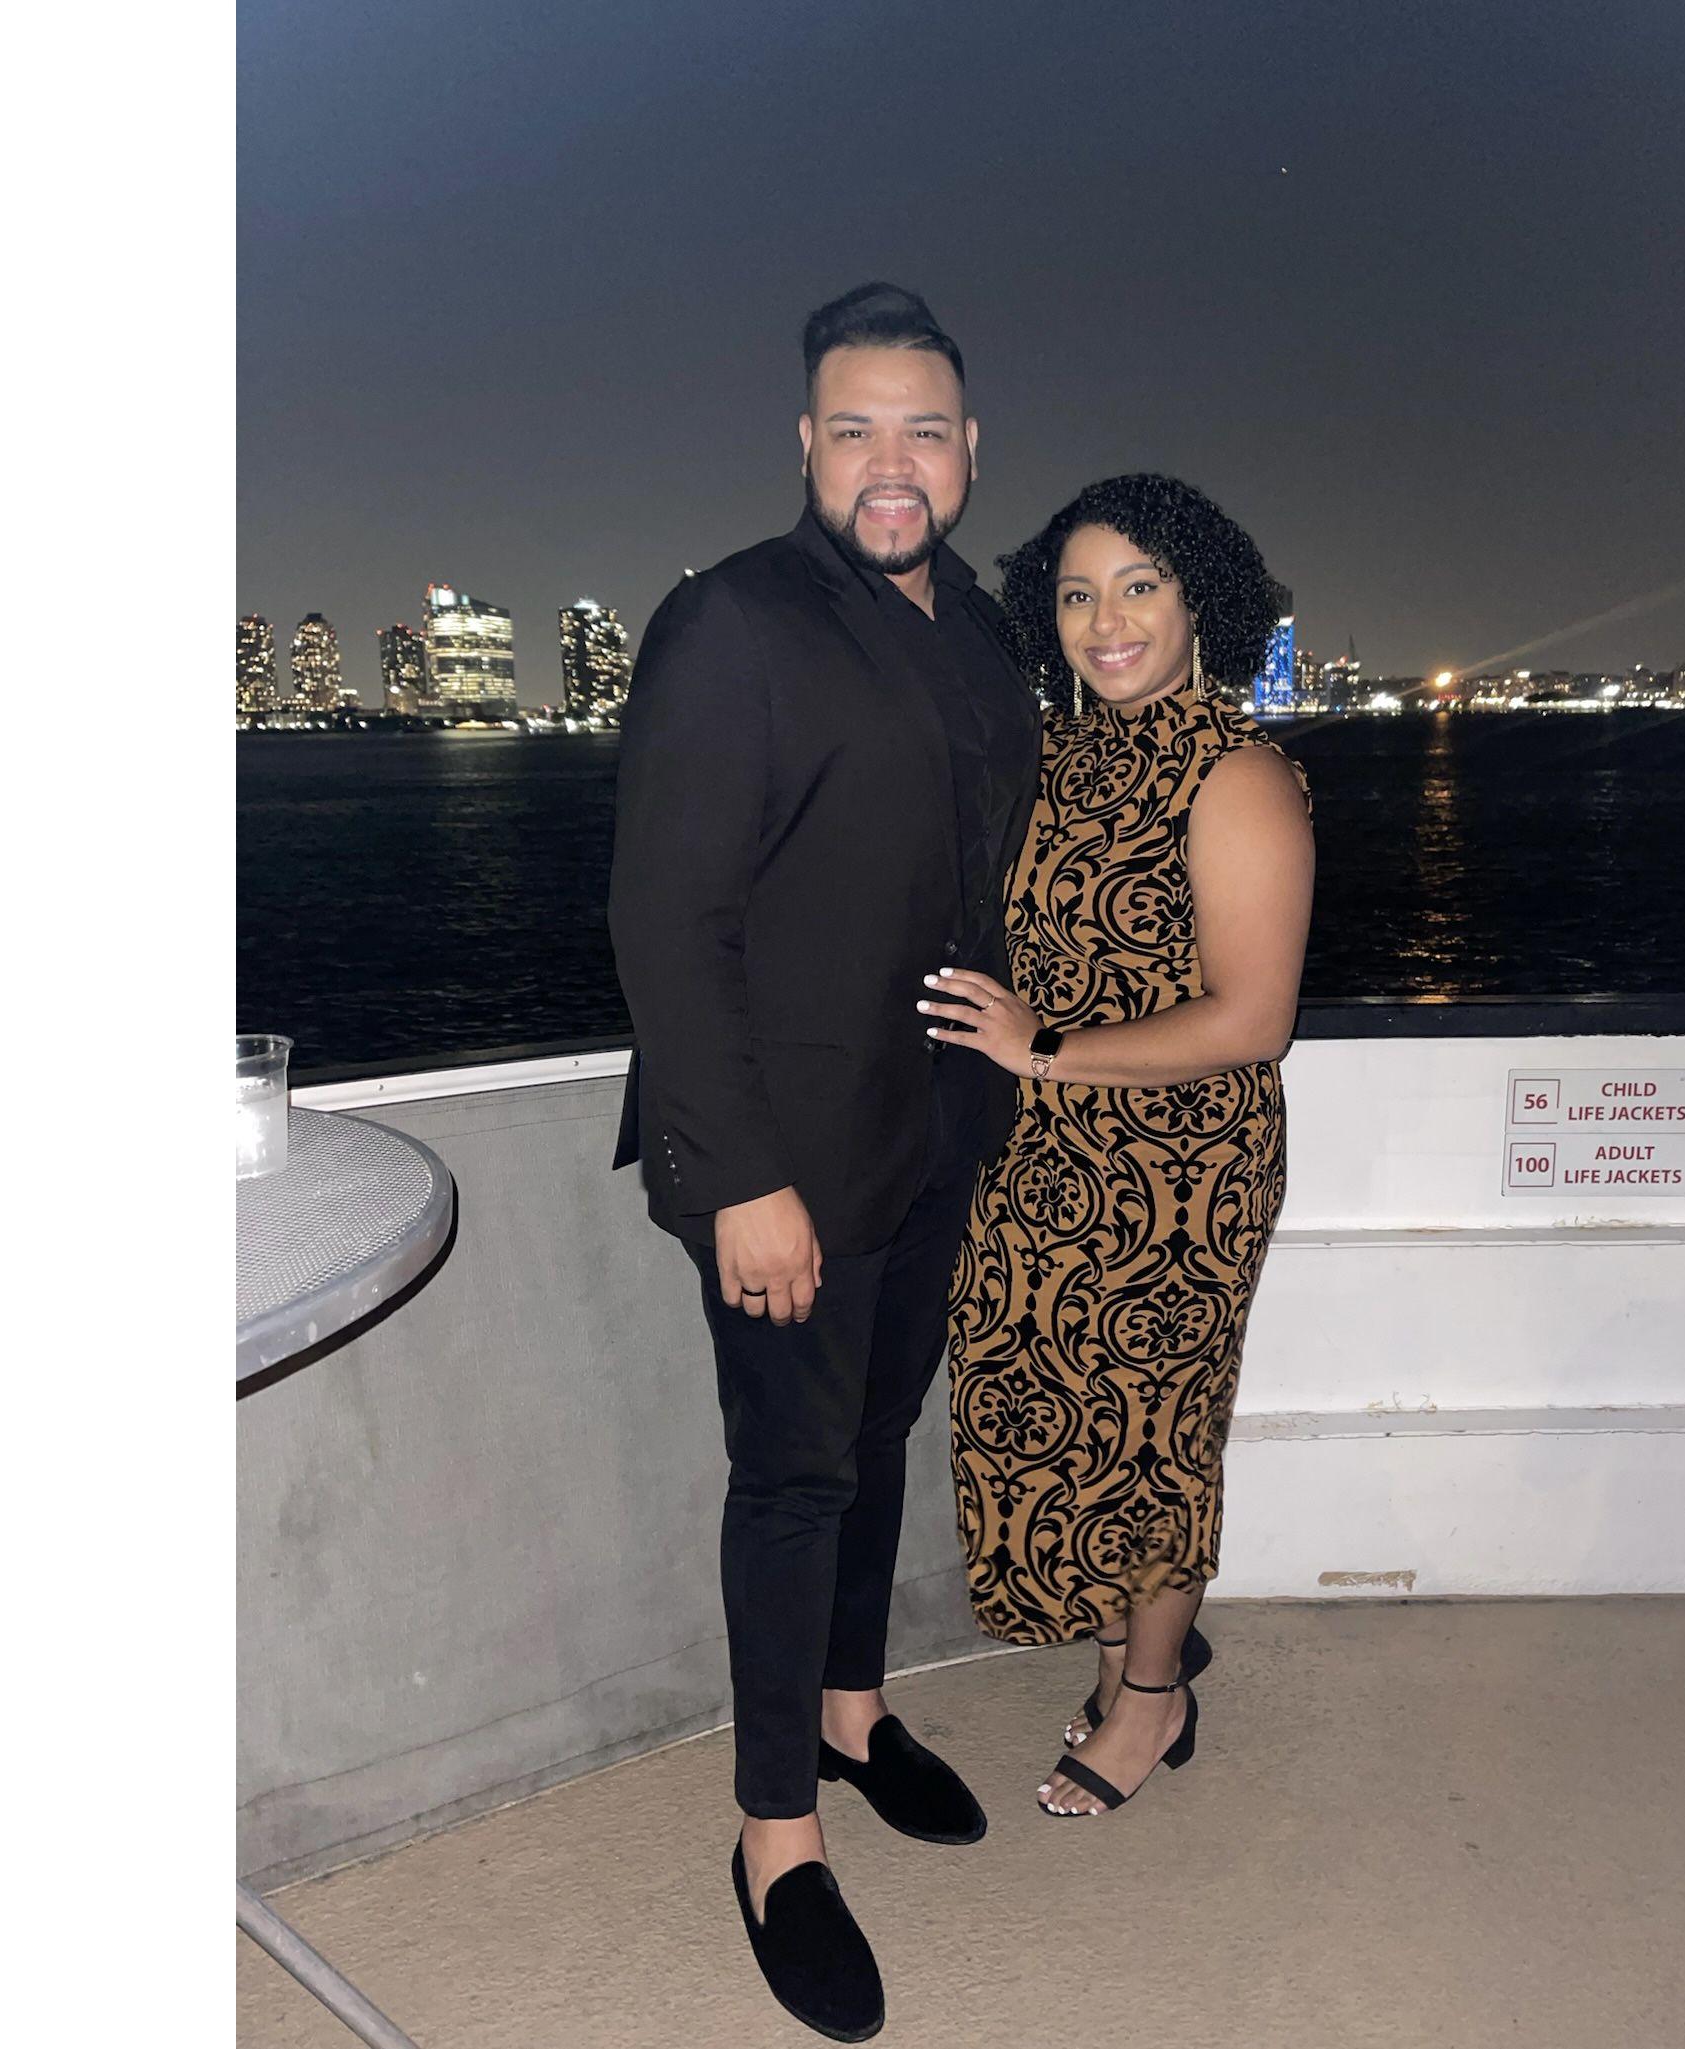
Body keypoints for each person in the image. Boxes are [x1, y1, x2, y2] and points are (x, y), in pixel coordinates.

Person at [607, 282, 1040, 2040]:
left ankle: (853, 1712)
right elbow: (665, 916)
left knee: (875, 1436)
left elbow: (965, 865)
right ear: (805, 444)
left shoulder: (983, 632)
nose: (890, 461)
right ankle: (773, 1831)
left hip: (935, 1125)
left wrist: (1012, 1011)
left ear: (968, 449)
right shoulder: (732, 619)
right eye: (854, 428)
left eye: (922, 429)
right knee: (792, 1476)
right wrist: (736, 1179)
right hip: (781, 1154)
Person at [923, 474, 1314, 1820]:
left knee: (1153, 1435)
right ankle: (1122, 1650)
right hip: (1041, 1153)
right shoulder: (1051, 756)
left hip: (1181, 1162)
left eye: (1140, 586)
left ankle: (1150, 1695)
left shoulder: (1236, 774)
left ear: (1199, 602)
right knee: (1060, 1417)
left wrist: (1041, 1047)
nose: (1107, 621)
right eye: (1078, 594)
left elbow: (1253, 1018)